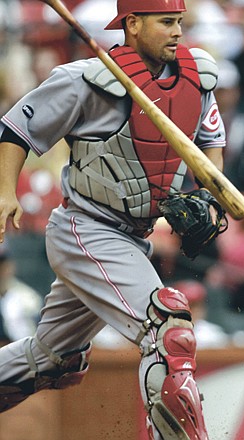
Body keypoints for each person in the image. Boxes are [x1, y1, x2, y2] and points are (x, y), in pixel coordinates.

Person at [0, 0, 228, 438]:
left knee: (52, 361)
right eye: (166, 22)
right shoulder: (84, 80)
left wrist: (209, 196)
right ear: (133, 24)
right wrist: (7, 190)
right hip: (85, 227)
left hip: (133, 236)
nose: (178, 31)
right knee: (168, 327)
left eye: (179, 21)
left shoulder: (198, 78)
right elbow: (15, 128)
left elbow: (209, 145)